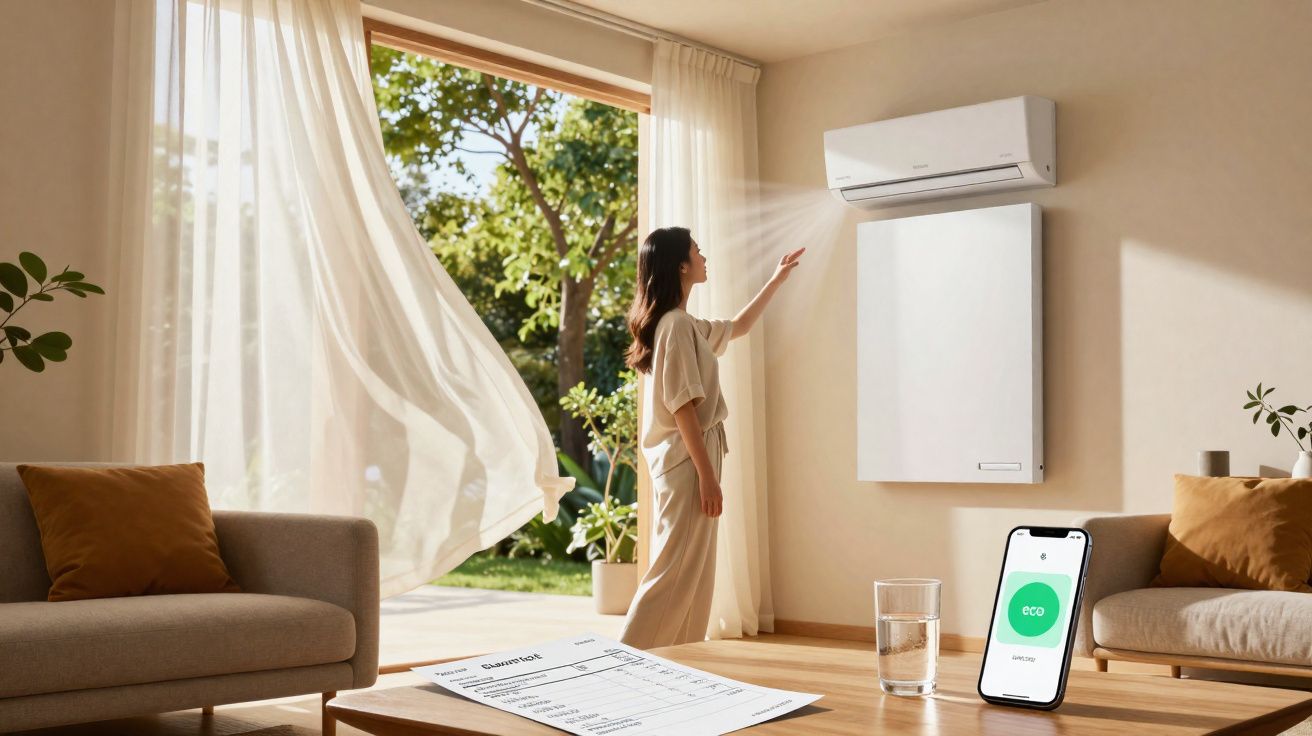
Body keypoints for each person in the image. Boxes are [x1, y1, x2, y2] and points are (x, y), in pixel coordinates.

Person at [619, 226, 804, 649]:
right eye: (697, 251)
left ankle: (681, 660)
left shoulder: (683, 324)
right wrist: (706, 477)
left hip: (693, 458)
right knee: (674, 570)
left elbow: (738, 326)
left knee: (695, 573)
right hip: (689, 462)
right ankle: (625, 659)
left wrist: (776, 279)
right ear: (681, 266)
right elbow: (682, 405)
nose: (704, 257)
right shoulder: (675, 326)